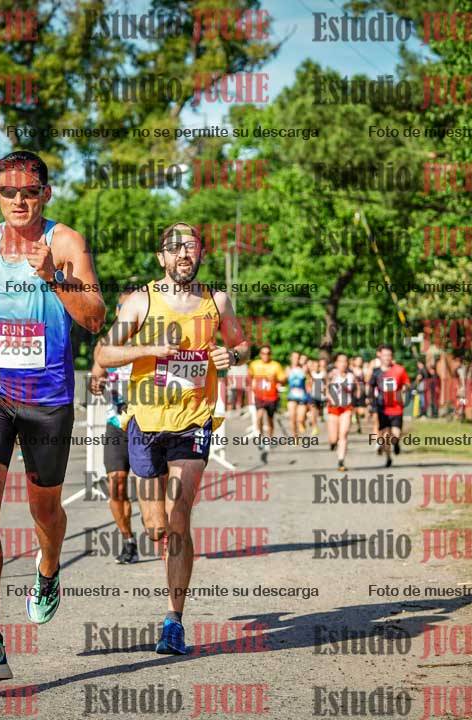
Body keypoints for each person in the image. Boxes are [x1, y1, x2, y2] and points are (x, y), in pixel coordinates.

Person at [0, 150, 105, 682]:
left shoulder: (66, 243)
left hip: (47, 398)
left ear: (46, 193)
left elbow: (95, 317)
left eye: (29, 192)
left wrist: (54, 278)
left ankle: (49, 567)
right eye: (8, 192)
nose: (19, 200)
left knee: (46, 511)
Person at [94, 222, 249, 655]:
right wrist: (147, 350)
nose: (184, 253)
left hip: (193, 422)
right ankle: (157, 540)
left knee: (180, 516)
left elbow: (242, 345)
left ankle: (173, 621)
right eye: (175, 247)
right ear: (162, 257)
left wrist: (231, 355)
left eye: (191, 247)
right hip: (145, 423)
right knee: (156, 527)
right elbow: (104, 353)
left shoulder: (217, 301)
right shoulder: (141, 301)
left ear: (200, 254)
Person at [89, 291, 138, 564]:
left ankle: (165, 533)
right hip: (116, 424)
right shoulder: (105, 345)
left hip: (148, 425)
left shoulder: (151, 341)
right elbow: (95, 376)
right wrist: (96, 384)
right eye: (123, 306)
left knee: (155, 488)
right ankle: (128, 540)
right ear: (118, 311)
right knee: (117, 485)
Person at [369, 344, 410, 467]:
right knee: (385, 434)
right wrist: (371, 402)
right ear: (380, 356)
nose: (387, 357)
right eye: (384, 355)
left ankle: (396, 443)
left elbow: (407, 384)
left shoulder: (399, 370)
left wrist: (404, 390)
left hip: (396, 407)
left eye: (389, 355)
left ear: (392, 356)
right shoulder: (376, 372)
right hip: (382, 407)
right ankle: (388, 457)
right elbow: (371, 387)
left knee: (395, 435)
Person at [247, 345, 286, 463]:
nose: (266, 355)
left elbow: (283, 379)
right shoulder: (254, 364)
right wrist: (252, 385)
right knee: (259, 416)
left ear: (270, 354)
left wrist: (276, 379)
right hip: (259, 396)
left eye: (268, 353)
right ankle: (260, 438)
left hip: (272, 396)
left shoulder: (276, 365)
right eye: (263, 353)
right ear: (260, 354)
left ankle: (269, 438)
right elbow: (249, 377)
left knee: (270, 419)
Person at [326, 353, 359, 472]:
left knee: (343, 434)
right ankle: (333, 443)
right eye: (340, 361)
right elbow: (325, 390)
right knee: (333, 438)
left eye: (345, 361)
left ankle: (341, 461)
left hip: (346, 407)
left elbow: (357, 389)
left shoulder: (351, 376)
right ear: (336, 363)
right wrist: (331, 398)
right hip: (333, 408)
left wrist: (358, 397)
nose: (343, 364)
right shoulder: (332, 375)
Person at [286, 352, 307, 438]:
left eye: (297, 358)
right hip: (292, 396)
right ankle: (295, 437)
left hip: (302, 396)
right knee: (292, 419)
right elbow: (284, 379)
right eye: (294, 357)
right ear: (290, 358)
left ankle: (302, 423)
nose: (296, 359)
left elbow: (308, 378)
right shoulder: (288, 369)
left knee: (300, 419)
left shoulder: (304, 368)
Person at [307, 356, 327, 435]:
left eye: (317, 366)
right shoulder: (311, 374)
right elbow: (308, 384)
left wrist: (325, 389)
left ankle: (321, 417)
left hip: (321, 396)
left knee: (319, 413)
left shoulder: (323, 373)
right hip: (313, 395)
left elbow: (326, 383)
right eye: (314, 366)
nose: (315, 367)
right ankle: (315, 428)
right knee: (313, 412)